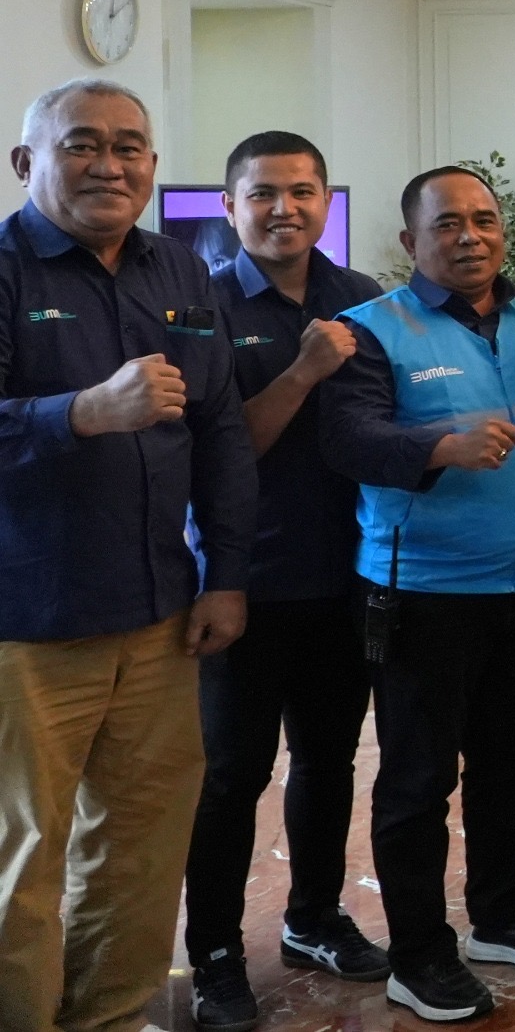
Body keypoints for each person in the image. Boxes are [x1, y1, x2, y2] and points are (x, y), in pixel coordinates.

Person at [0, 79, 255, 1032]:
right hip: (30, 625)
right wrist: (80, 413)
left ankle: (111, 1017)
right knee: (23, 857)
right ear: (27, 162)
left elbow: (219, 426)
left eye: (129, 146)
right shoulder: (6, 272)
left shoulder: (179, 268)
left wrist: (226, 572)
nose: (109, 165)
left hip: (160, 616)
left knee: (143, 844)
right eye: (81, 145)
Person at [319, 166, 515, 1023]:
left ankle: (502, 917)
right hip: (423, 593)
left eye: (483, 220)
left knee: (514, 762)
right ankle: (417, 956)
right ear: (412, 240)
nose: (469, 236)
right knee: (417, 780)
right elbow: (348, 441)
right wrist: (443, 446)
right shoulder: (371, 330)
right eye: (447, 224)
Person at [184, 132, 390, 1030]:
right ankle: (215, 951)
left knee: (329, 761)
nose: (285, 209)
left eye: (302, 191)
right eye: (263, 193)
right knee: (232, 776)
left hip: (346, 576)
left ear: (324, 202)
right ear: (230, 207)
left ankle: (313, 917)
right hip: (243, 581)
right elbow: (221, 451)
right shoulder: (202, 306)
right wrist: (305, 371)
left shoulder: (362, 298)